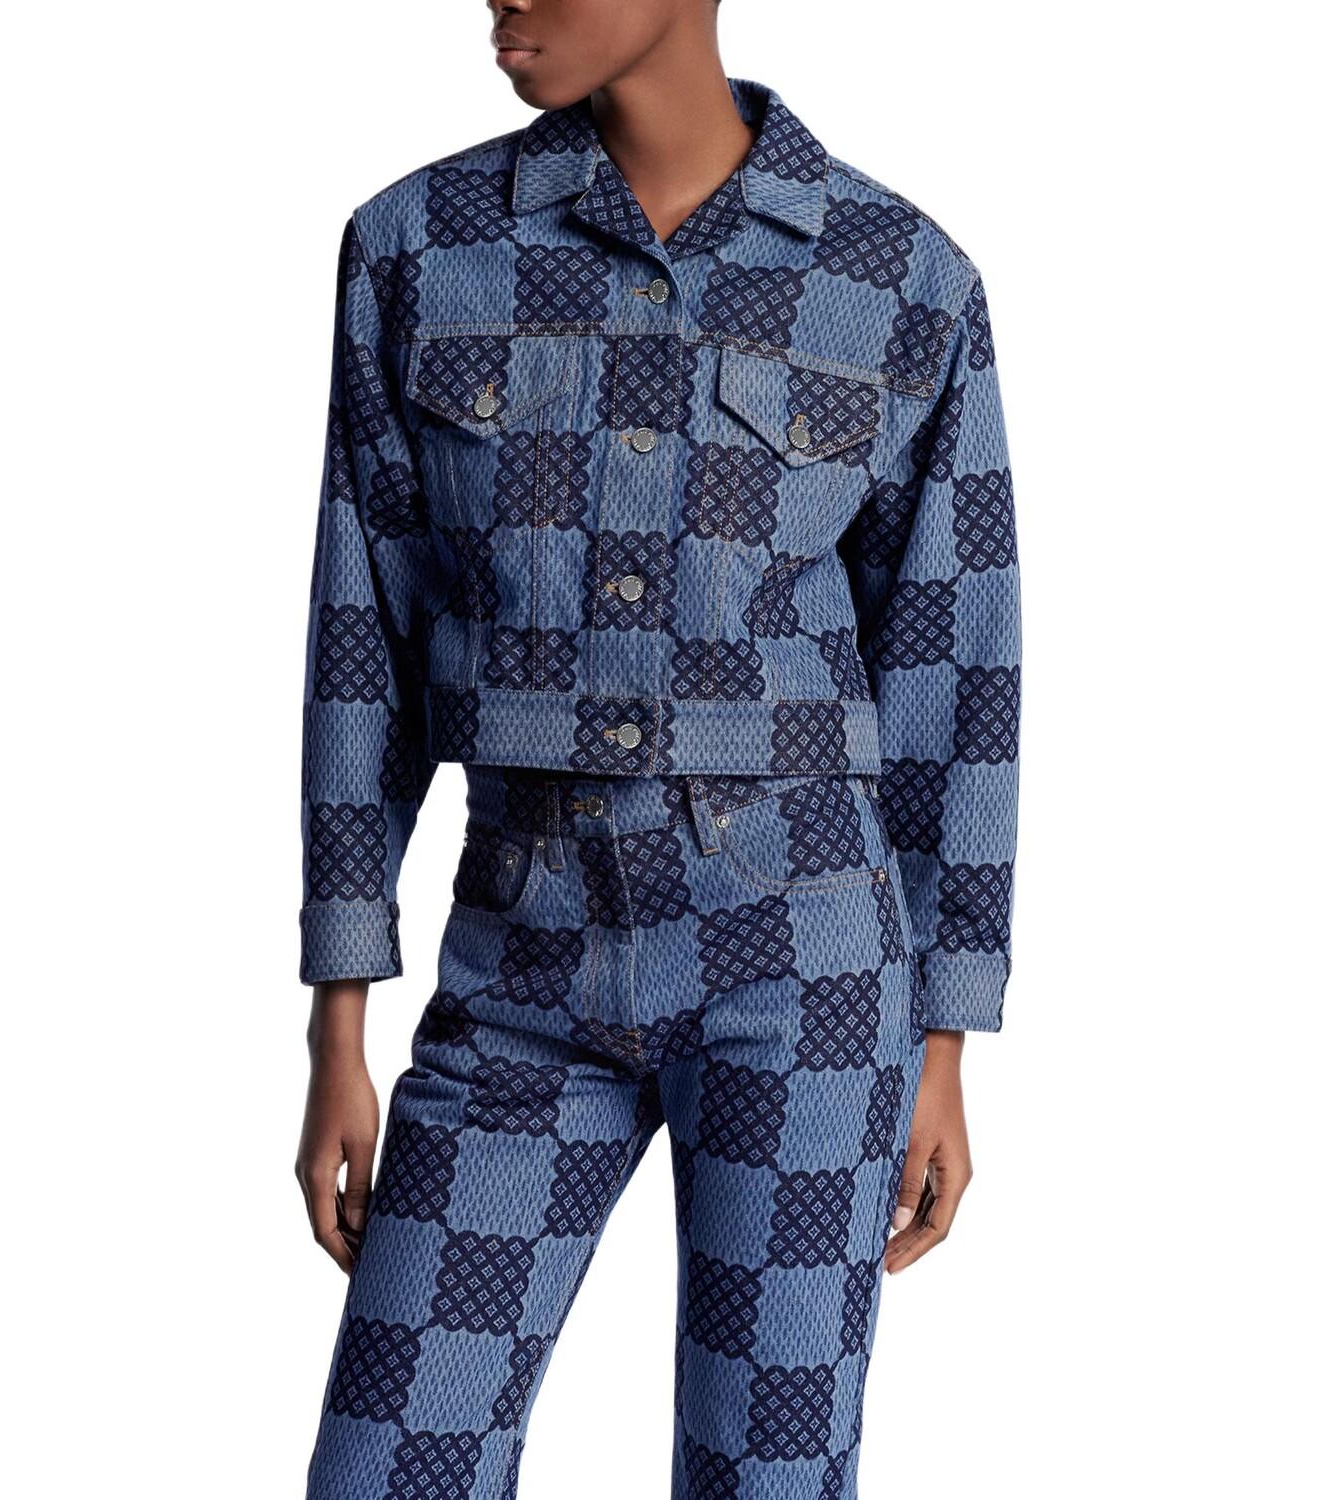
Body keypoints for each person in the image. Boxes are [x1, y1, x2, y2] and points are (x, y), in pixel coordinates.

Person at [295, 2, 1019, 1494]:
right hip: (519, 962)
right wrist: (338, 1021)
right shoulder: (419, 249)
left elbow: (955, 672)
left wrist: (944, 1037)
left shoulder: (900, 278)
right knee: (392, 1462)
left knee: (771, 1469)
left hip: (808, 968)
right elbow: (363, 642)